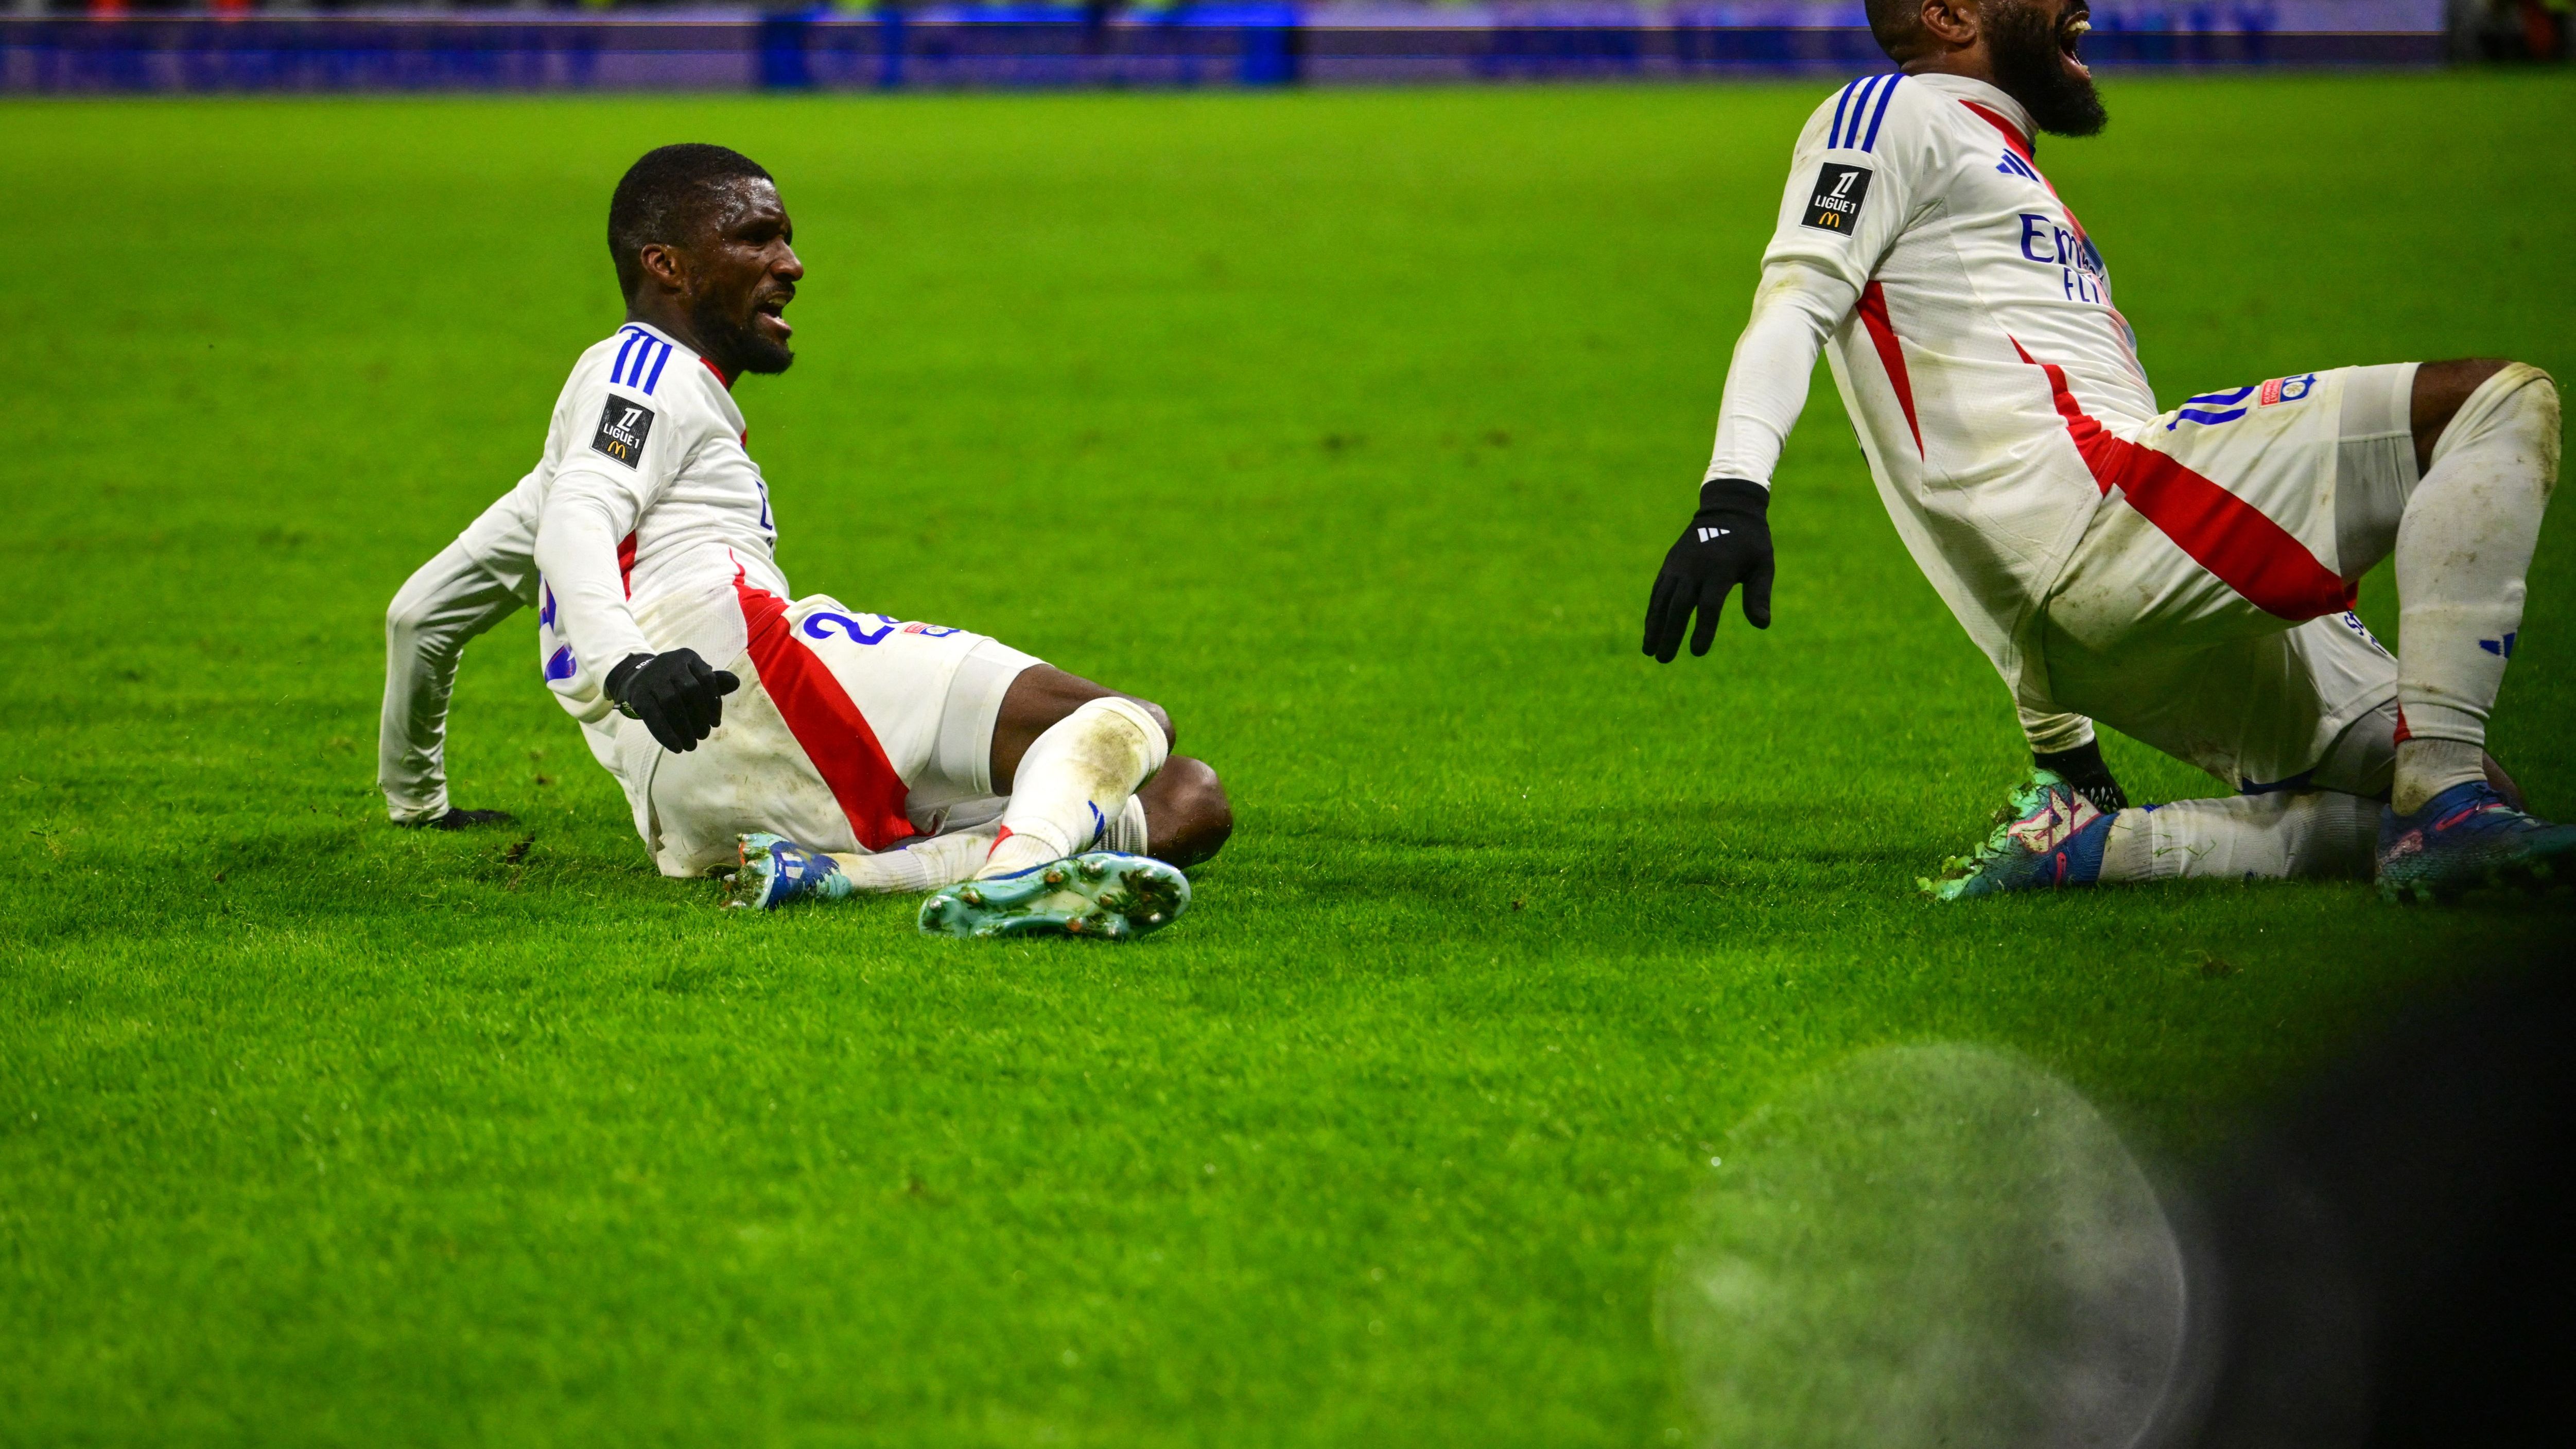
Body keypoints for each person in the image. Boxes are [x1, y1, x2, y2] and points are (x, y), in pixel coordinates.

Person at [1640, 0, 2567, 902]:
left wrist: (2063, 744)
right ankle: (2444, 810)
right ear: (1950, 16)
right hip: (2110, 522)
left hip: (2094, 606)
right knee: (2491, 404)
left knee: (2476, 786)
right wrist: (1732, 497)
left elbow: (1983, 453)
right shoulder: (1893, 112)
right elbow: (1796, 302)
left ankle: (2109, 848)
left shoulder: (2003, 174)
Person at [379, 144, 1231, 937]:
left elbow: (421, 616)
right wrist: (631, 667)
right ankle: (1018, 877)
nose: (790, 264)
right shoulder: (641, 372)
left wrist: (418, 804)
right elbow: (580, 518)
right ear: (666, 266)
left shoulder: (582, 457)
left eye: (786, 239)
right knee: (1125, 722)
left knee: (1185, 803)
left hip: (686, 799)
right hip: (758, 678)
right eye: (756, 238)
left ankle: (845, 876)